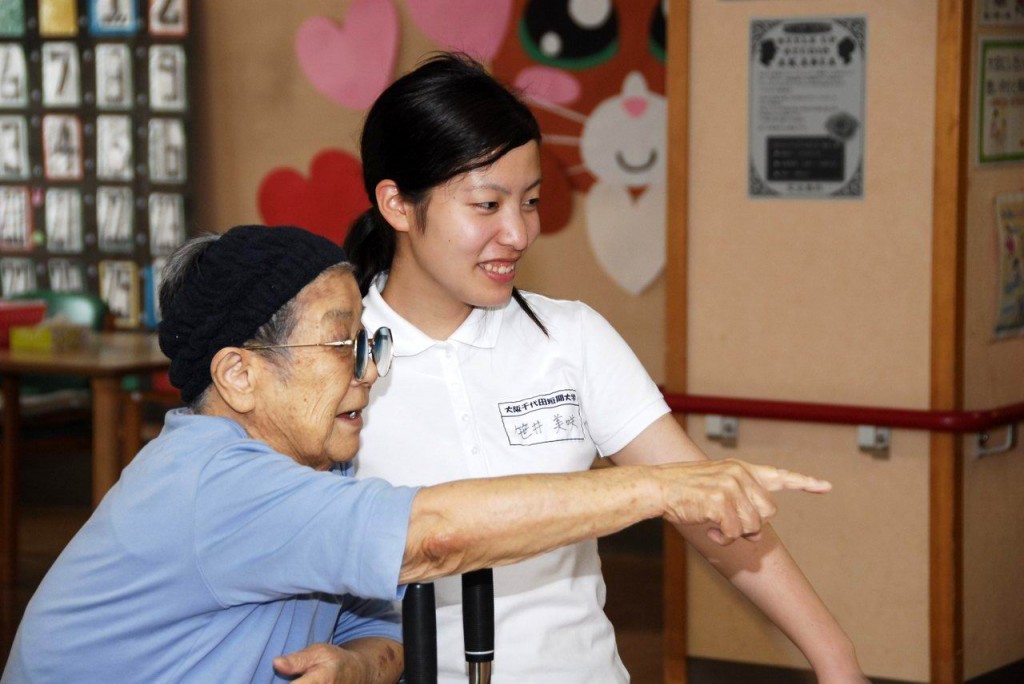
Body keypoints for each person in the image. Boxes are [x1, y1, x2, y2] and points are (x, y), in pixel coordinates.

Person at [2, 225, 831, 684]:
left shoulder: (307, 473)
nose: (367, 375)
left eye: (371, 346)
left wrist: (355, 667)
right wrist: (662, 489)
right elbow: (435, 535)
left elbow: (387, 630)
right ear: (240, 375)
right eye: (342, 347)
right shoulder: (212, 483)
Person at [344, 54, 867, 682]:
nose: (518, 232)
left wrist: (835, 658)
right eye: (487, 205)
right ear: (398, 205)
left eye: (530, 201)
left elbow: (702, 506)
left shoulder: (571, 336)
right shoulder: (332, 360)